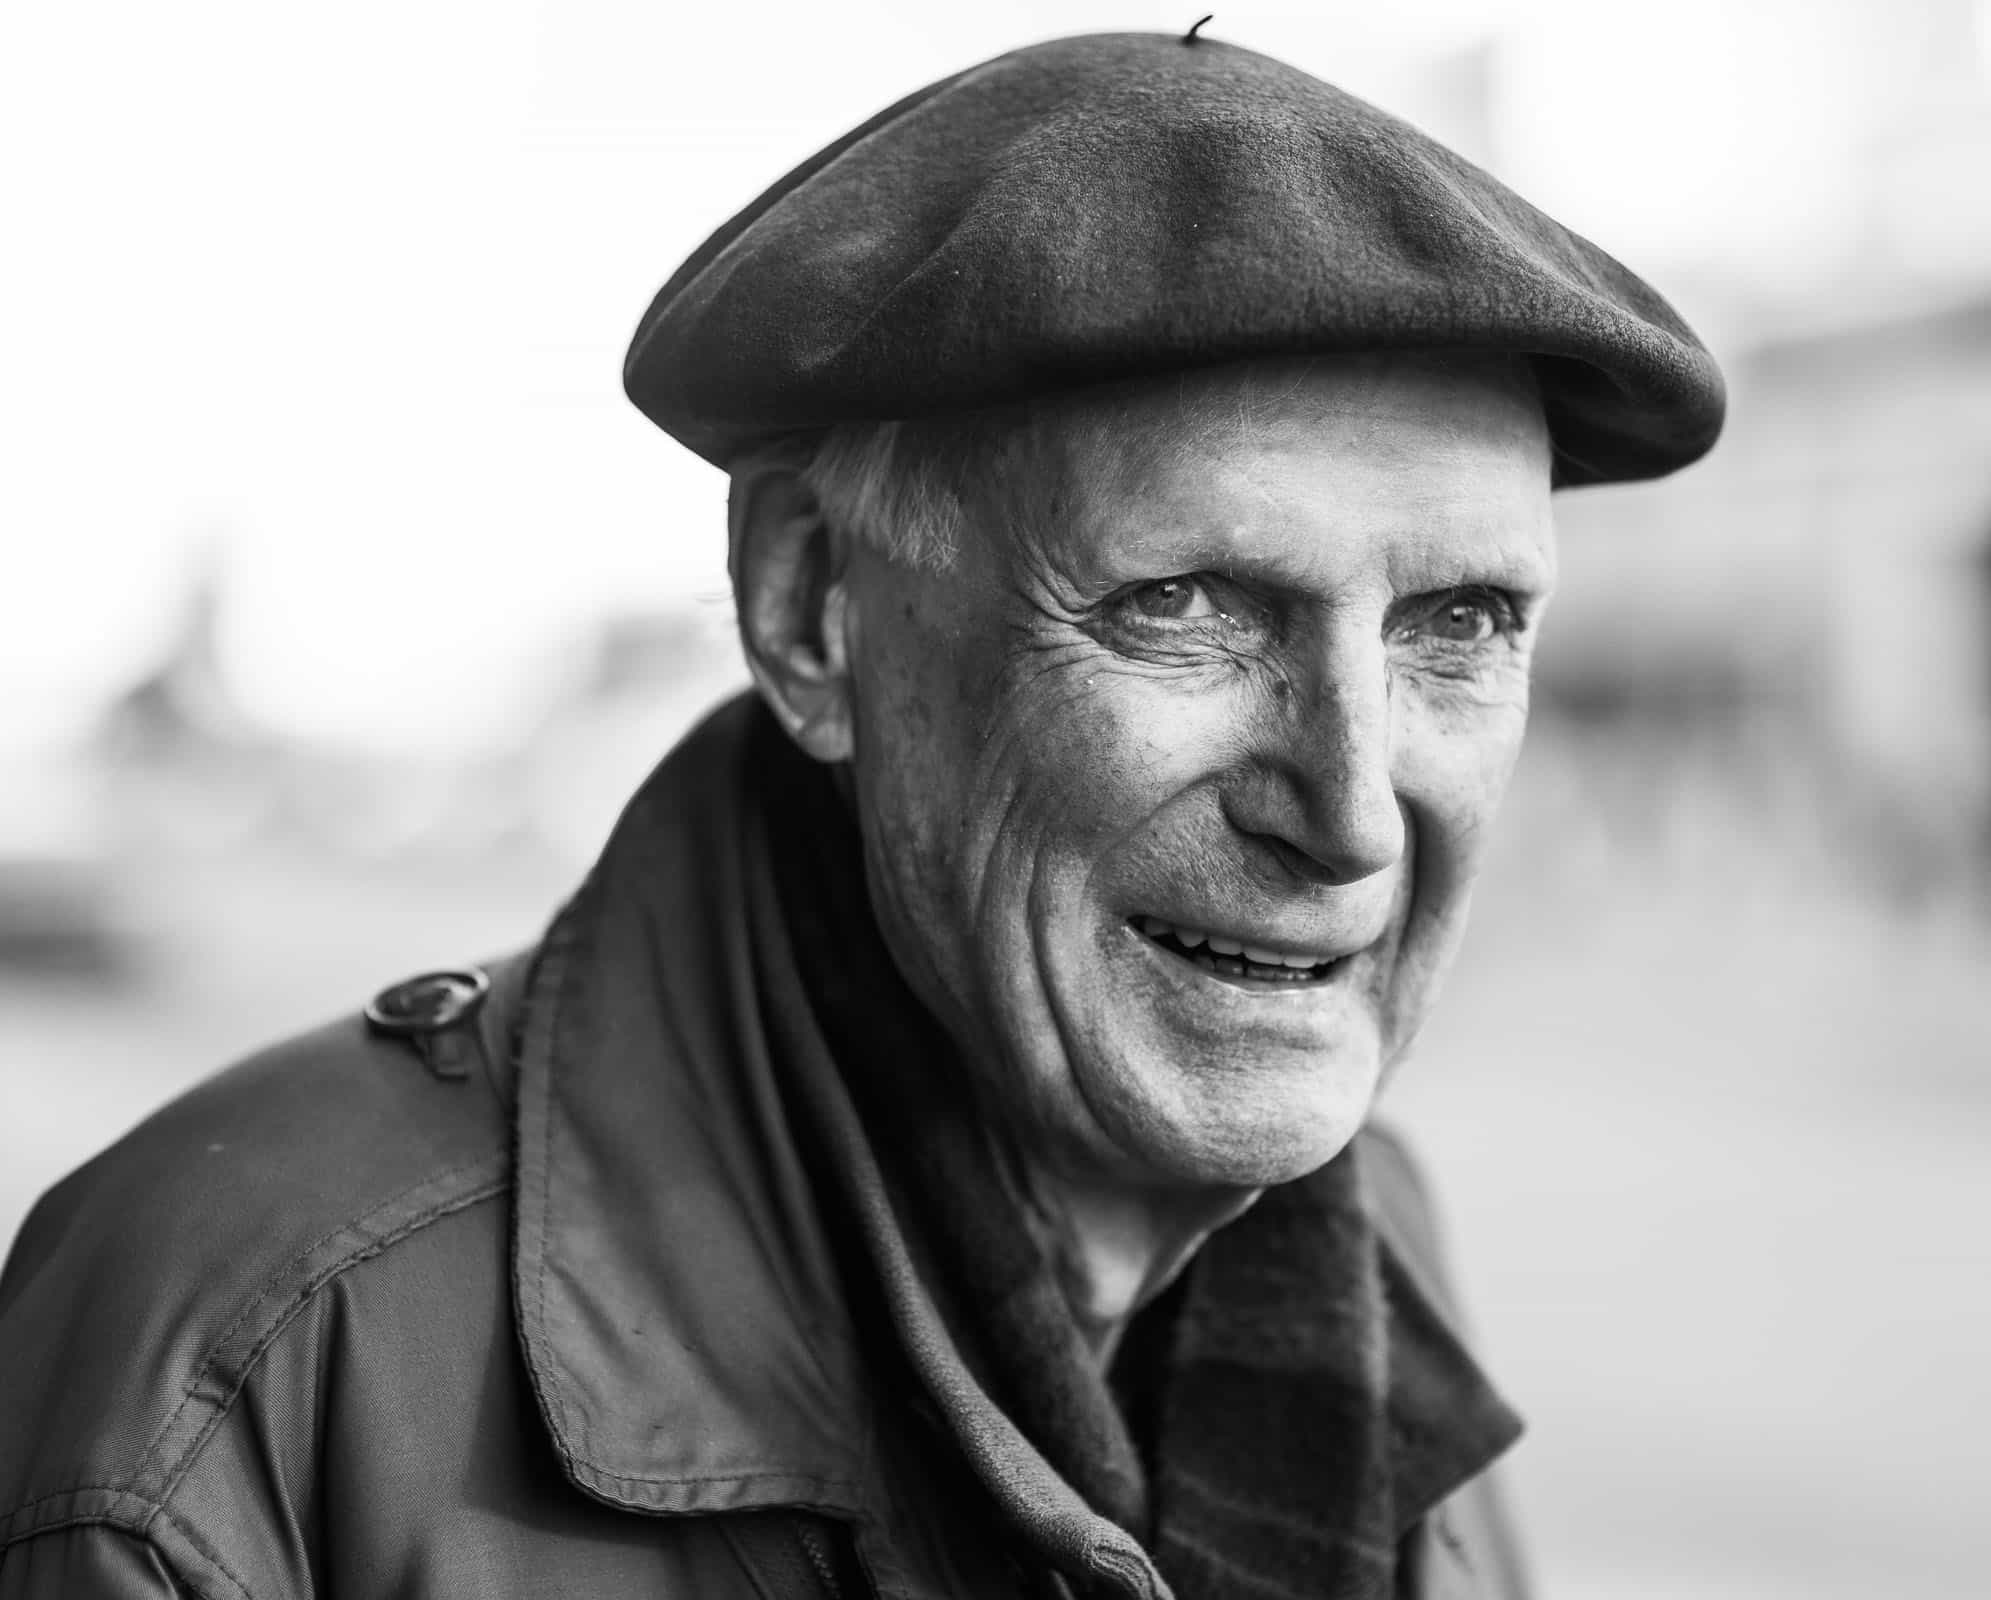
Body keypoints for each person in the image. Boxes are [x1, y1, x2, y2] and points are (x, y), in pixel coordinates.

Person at [0, 31, 1722, 1598]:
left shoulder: (1368, 1241)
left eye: (1458, 627)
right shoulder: (250, 1355)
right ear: (814, 606)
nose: (1348, 812)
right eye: (1187, 604)